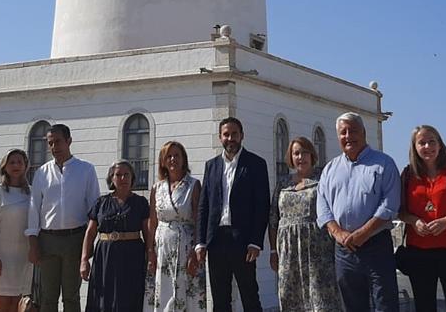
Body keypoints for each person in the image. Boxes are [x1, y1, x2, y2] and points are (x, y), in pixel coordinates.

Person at [316, 112, 401, 312]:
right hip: (344, 249)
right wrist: (338, 233)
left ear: (363, 133)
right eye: (343, 132)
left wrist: (364, 233)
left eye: (353, 131)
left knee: (385, 304)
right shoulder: (330, 169)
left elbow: (390, 204)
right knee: (351, 305)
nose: (348, 136)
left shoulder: (384, 164)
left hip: (376, 245)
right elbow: (322, 205)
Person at [195, 117, 270, 312]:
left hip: (243, 242)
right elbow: (204, 205)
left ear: (242, 136)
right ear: (220, 137)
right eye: (226, 135)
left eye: (234, 134)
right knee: (220, 300)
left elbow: (262, 206)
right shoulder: (211, 166)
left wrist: (256, 241)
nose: (230, 138)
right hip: (216, 240)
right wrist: (201, 242)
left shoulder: (256, 164)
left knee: (250, 297)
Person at [397, 125, 446, 312]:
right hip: (419, 251)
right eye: (421, 142)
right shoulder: (407, 176)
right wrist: (414, 221)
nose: (427, 146)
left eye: (432, 141)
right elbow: (400, 211)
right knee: (424, 305)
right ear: (414, 147)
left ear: (440, 145)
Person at [27, 123, 101, 312]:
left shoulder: (86, 170)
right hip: (47, 240)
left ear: (69, 141)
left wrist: (89, 244)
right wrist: (33, 244)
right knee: (48, 297)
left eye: (58, 142)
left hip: (75, 239)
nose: (54, 147)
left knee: (71, 297)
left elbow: (94, 209)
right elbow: (34, 209)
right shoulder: (41, 173)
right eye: (50, 143)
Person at [268, 136, 340, 312]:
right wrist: (273, 251)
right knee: (290, 298)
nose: (301, 157)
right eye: (296, 153)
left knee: (321, 299)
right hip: (288, 252)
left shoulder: (323, 180)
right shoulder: (283, 183)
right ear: (291, 157)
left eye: (304, 152)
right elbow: (273, 219)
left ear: (312, 155)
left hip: (318, 251)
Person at [80, 160, 152, 312]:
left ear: (132, 177)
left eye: (126, 174)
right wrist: (84, 260)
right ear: (111, 178)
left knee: (130, 298)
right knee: (103, 298)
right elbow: (91, 232)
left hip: (132, 258)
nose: (123, 178)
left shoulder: (140, 202)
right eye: (118, 175)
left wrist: (151, 255)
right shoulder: (101, 203)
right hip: (105, 258)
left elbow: (148, 232)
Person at [145, 141, 206, 312]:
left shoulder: (193, 185)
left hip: (186, 246)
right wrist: (150, 251)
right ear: (163, 161)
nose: (173, 159)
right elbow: (152, 221)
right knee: (164, 292)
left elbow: (197, 220)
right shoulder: (157, 188)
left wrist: (195, 251)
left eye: (177, 155)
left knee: (187, 292)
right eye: (169, 156)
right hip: (162, 246)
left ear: (183, 159)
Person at [0, 148, 35, 311]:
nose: (16, 165)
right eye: (12, 162)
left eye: (19, 162)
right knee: (1, 306)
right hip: (1, 259)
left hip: (23, 259)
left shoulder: (32, 193)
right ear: (5, 166)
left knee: (17, 305)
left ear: (25, 166)